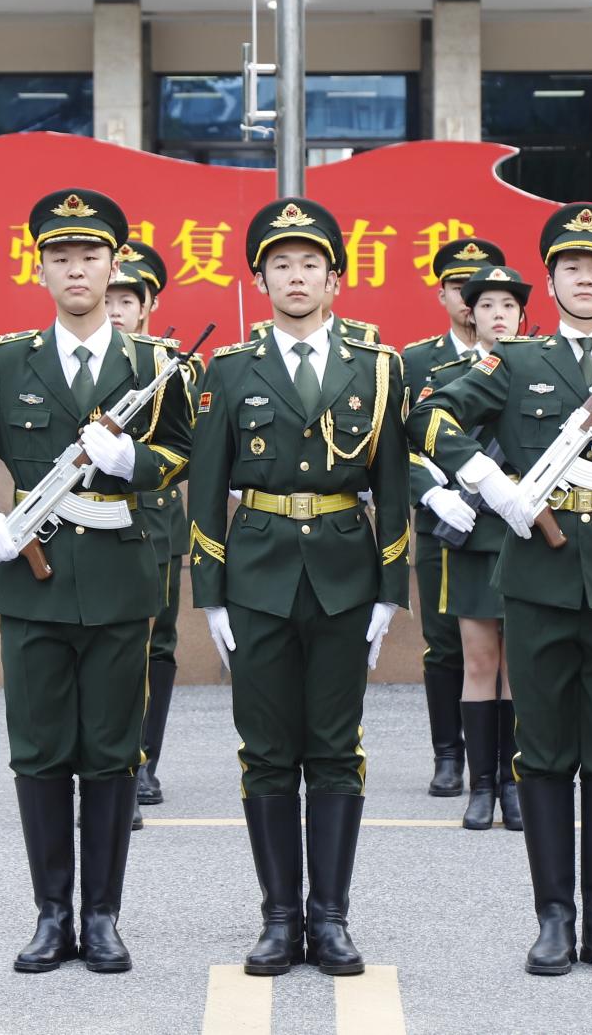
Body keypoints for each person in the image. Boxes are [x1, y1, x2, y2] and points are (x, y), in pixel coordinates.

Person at [405, 202, 592, 978]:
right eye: (571, 267)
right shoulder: (517, 359)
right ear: (552, 279)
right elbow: (429, 418)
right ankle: (553, 916)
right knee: (542, 751)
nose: (585, 278)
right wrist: (489, 481)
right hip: (537, 573)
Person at [0, 189, 193, 976]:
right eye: (60, 257)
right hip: (33, 585)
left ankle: (101, 917)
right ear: (40, 269)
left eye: (90, 256)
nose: (76, 269)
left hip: (121, 580)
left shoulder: (155, 363)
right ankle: (50, 914)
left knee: (111, 751)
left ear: (114, 266)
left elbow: (187, 450)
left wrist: (134, 461)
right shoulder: (9, 361)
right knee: (38, 752)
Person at [187, 197, 411, 978]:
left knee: (337, 748)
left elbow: (393, 482)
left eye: (310, 263)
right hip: (258, 575)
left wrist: (391, 588)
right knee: (267, 750)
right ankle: (280, 917)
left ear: (335, 279)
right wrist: (210, 593)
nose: (295, 276)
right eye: (280, 264)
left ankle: (332, 917)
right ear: (260, 279)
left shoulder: (377, 367)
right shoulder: (228, 369)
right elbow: (205, 486)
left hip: (346, 576)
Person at [418, 264, 533, 832]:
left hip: (521, 527)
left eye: (508, 306)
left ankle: (513, 782)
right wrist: (439, 493)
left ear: (523, 316)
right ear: (471, 313)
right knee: (479, 659)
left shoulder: (538, 366)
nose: (498, 315)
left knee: (517, 664)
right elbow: (417, 435)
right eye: (487, 306)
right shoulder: (447, 374)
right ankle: (480, 784)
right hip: (471, 527)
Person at [400, 235, 506, 798]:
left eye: (481, 289)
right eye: (459, 288)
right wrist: (431, 491)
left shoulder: (523, 354)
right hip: (443, 521)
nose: (470, 299)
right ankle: (448, 754)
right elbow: (394, 442)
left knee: (507, 645)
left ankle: (505, 764)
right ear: (442, 295)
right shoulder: (416, 362)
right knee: (444, 641)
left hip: (503, 521)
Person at [102, 239, 194, 819]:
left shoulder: (172, 367)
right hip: (88, 524)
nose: (116, 310)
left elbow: (191, 445)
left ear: (148, 306)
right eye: (109, 298)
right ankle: (106, 762)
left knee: (155, 643)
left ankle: (143, 762)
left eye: (127, 301)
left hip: (154, 522)